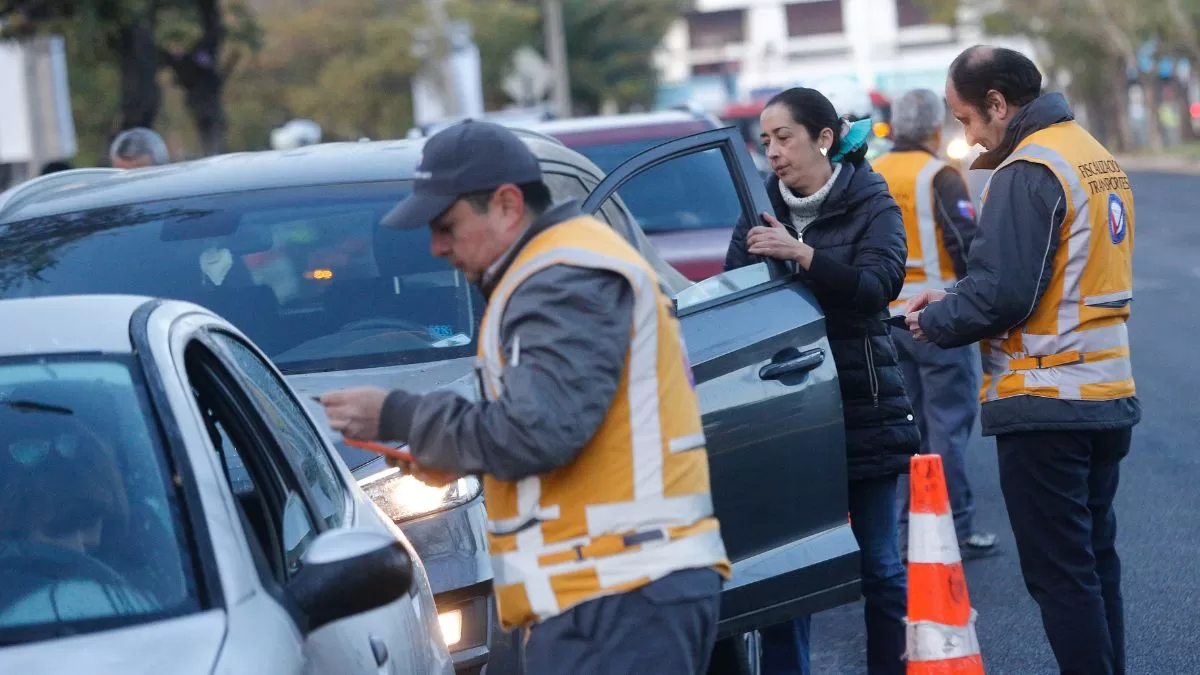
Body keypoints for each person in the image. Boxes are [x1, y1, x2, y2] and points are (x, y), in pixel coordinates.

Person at [317, 120, 730, 674]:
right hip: (617, 586)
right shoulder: (559, 270)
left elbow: (540, 430)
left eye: (448, 226)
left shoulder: (563, 278)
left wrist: (401, 416)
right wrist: (455, 451)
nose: (437, 247)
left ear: (508, 205)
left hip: (621, 589)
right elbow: (553, 430)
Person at [905, 45, 1137, 674]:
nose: (966, 133)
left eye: (966, 118)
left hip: (1047, 401)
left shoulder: (1028, 169)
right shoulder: (1092, 155)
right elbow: (1049, 277)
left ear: (998, 104)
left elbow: (1004, 291)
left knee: (1062, 579)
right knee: (1093, 566)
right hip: (1104, 394)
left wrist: (935, 318)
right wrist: (953, 293)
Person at [725, 87, 919, 675]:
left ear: (825, 138)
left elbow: (877, 287)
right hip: (787, 409)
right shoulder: (757, 208)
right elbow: (735, 298)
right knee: (791, 573)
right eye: (765, 141)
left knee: (881, 566)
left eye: (784, 137)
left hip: (864, 403)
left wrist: (802, 255)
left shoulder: (870, 200)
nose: (773, 152)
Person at [871, 88, 997, 558]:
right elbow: (969, 247)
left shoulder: (874, 173)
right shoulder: (940, 175)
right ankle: (957, 527)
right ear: (932, 129)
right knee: (948, 425)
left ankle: (907, 531)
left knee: (909, 426)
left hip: (885, 320)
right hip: (936, 319)